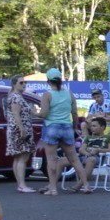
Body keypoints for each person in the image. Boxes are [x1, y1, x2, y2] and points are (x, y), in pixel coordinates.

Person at [35, 70, 86, 198]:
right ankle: (86, 185)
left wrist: (32, 112)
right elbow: (74, 113)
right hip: (67, 128)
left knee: (51, 160)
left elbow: (44, 114)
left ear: (48, 80)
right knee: (74, 159)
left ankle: (52, 188)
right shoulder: (69, 93)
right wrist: (74, 127)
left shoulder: (47, 95)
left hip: (51, 127)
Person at [4, 76, 36, 194]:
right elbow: (16, 114)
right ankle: (22, 185)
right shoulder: (16, 98)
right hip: (20, 130)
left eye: (25, 82)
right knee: (23, 157)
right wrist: (22, 129)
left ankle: (20, 184)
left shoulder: (16, 97)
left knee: (18, 158)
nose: (24, 84)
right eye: (21, 83)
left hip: (16, 129)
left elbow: (31, 112)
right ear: (14, 84)